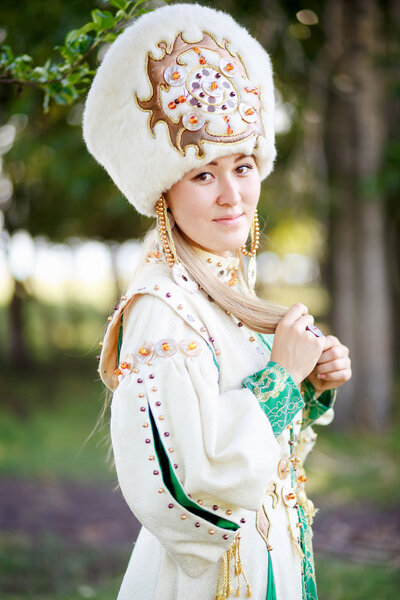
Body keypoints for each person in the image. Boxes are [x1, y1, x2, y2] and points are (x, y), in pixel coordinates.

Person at [82, 3, 351, 600]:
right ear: (164, 192)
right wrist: (282, 375)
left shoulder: (225, 287)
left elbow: (250, 426)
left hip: (267, 557)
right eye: (203, 173)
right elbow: (186, 489)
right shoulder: (162, 309)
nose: (233, 195)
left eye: (243, 166)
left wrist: (310, 381)